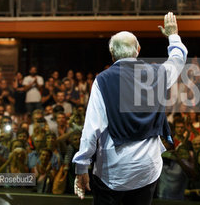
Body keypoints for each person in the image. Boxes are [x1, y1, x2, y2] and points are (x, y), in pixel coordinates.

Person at [73, 12, 187, 204]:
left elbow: (91, 129)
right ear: (138, 50)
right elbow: (178, 59)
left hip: (114, 172)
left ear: (112, 53)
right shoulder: (157, 73)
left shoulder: (103, 80)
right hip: (147, 169)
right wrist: (173, 35)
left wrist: (81, 167)